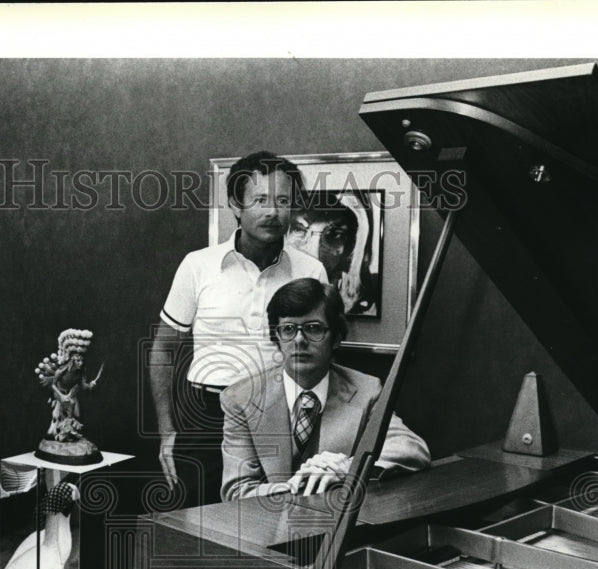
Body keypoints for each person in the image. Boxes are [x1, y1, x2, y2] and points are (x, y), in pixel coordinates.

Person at [149, 151, 327, 508]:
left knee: (276, 522)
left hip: (281, 416)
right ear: (235, 204)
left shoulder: (312, 271)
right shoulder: (198, 265)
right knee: (200, 523)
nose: (273, 212)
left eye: (283, 201)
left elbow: (321, 354)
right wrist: (167, 431)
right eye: (260, 200)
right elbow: (162, 350)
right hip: (206, 417)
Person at [220, 278, 429, 501]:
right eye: (288, 329)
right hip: (269, 526)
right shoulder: (241, 398)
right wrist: (300, 485)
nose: (299, 340)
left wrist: (345, 468)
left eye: (313, 329)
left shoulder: (366, 389)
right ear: (277, 338)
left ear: (337, 338)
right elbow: (237, 491)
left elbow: (412, 449)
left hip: (341, 524)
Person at [287, 192, 379, 316]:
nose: (314, 254)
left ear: (354, 243)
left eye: (336, 235)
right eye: (299, 230)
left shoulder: (376, 297)